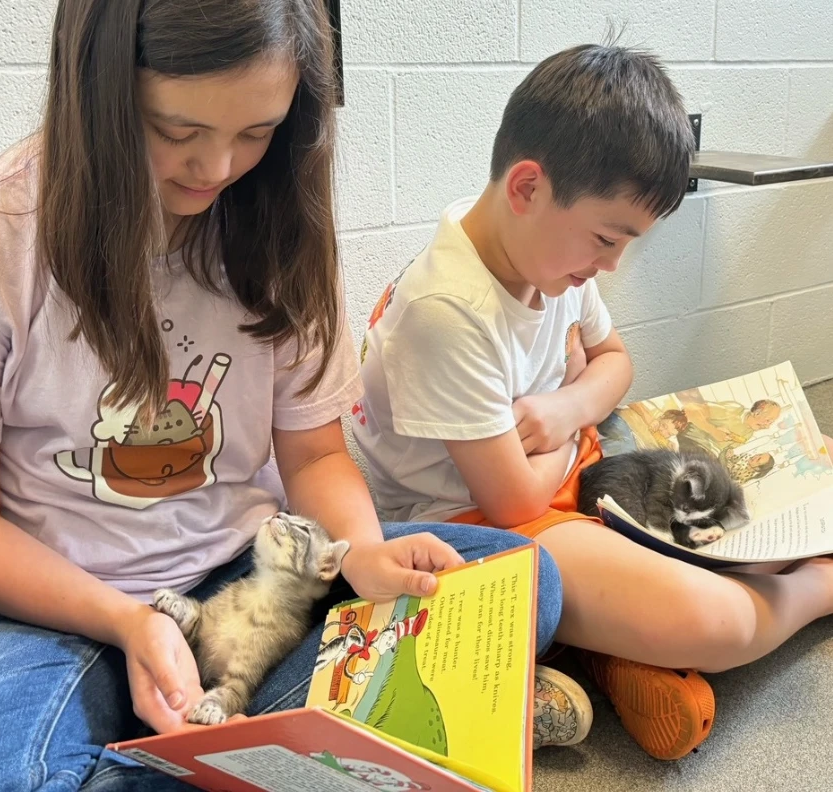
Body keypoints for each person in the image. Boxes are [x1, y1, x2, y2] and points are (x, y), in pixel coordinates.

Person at [0, 2, 584, 789]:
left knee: (522, 584)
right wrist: (128, 622)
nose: (216, 168)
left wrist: (360, 551)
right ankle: (251, 753)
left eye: (257, 132)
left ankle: (194, 753)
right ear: (95, 93)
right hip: (58, 610)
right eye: (176, 130)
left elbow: (313, 456)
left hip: (253, 576)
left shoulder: (280, 225)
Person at [351, 42, 833, 761]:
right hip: (475, 525)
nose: (610, 266)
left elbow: (615, 363)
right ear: (526, 188)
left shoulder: (542, 256)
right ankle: (820, 588)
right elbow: (513, 501)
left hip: (567, 471)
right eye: (607, 239)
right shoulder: (447, 309)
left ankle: (611, 653)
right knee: (723, 618)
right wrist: (575, 428)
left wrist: (563, 413)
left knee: (744, 517)